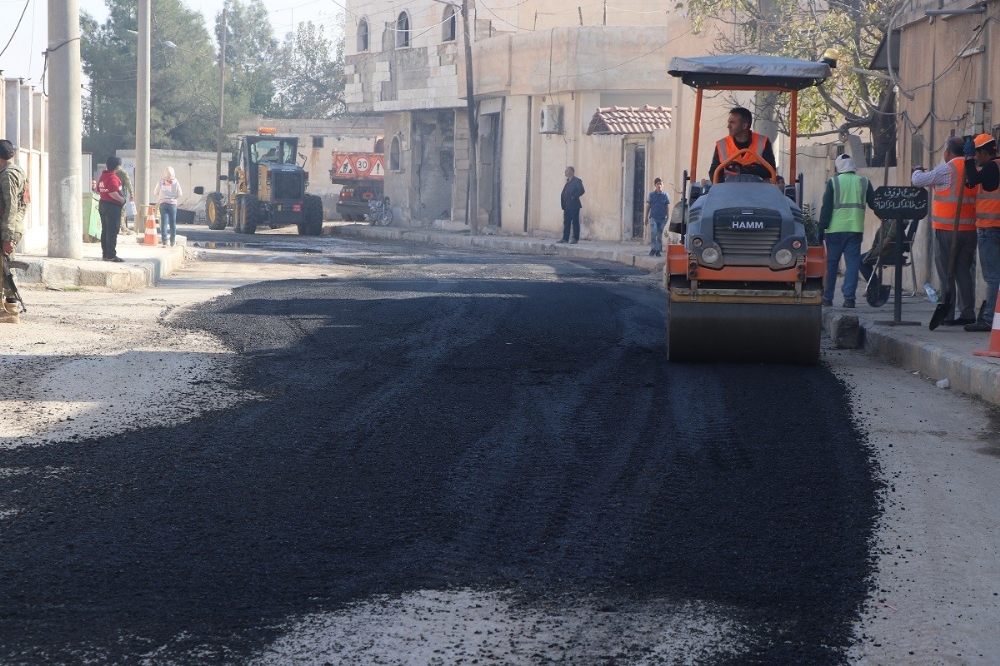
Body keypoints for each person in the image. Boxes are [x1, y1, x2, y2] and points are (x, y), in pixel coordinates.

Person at [912, 136, 979, 325]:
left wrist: (917, 170)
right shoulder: (973, 168)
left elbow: (918, 180)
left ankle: (947, 313)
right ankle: (967, 313)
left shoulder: (947, 168)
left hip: (948, 229)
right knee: (963, 271)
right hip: (969, 230)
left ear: (948, 152)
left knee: (945, 272)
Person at [819, 154, 876, 308]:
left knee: (831, 265)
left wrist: (820, 229)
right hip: (855, 229)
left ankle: (828, 298)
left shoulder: (833, 182)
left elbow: (826, 208)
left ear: (838, 167)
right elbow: (875, 204)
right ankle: (849, 299)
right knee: (852, 265)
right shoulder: (864, 182)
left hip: (835, 230)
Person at [963, 133, 1000, 332]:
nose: (976, 158)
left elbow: (976, 177)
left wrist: (967, 159)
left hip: (990, 228)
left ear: (984, 152)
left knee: (993, 277)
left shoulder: (991, 167)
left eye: (976, 154)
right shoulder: (996, 168)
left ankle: (988, 319)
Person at [707, 106, 777, 183]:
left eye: (732, 123)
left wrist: (744, 170)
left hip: (757, 191)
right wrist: (723, 187)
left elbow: (770, 171)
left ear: (744, 126)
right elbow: (714, 172)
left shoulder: (763, 142)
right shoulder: (722, 144)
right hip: (729, 191)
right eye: (729, 122)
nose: (728, 126)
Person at [0, 139, 27, 322]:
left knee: (6, 269)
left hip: (7, 228)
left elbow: (10, 207)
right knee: (4, 268)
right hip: (10, 225)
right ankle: (9, 310)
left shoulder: (8, 175)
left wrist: (8, 236)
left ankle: (11, 312)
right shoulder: (17, 171)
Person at [97, 156, 127, 262]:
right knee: (112, 231)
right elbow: (113, 192)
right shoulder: (113, 178)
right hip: (112, 206)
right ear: (117, 167)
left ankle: (105, 254)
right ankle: (111, 255)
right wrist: (122, 200)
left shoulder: (102, 176)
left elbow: (99, 189)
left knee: (105, 230)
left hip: (103, 204)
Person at [154, 167, 183, 247]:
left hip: (163, 203)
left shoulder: (160, 181)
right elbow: (180, 194)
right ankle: (172, 242)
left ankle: (164, 242)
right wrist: (174, 196)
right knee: (172, 223)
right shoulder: (176, 182)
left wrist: (161, 196)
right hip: (173, 204)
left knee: (164, 223)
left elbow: (155, 191)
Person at [644, 177, 670, 257]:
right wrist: (646, 217)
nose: (659, 185)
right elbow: (648, 206)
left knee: (659, 234)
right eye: (658, 184)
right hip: (653, 217)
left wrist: (667, 216)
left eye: (660, 184)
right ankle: (653, 249)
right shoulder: (651, 195)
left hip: (662, 218)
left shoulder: (665, 195)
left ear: (663, 185)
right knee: (653, 232)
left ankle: (658, 250)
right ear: (655, 185)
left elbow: (667, 206)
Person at [559, 166, 585, 244]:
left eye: (567, 171)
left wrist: (574, 197)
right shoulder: (567, 182)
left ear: (571, 172)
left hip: (574, 205)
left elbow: (581, 190)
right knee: (566, 222)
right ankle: (565, 238)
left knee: (575, 222)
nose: (565, 172)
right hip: (567, 205)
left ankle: (575, 238)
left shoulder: (577, 181)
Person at [115, 162, 134, 233]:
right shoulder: (123, 172)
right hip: (121, 193)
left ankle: (119, 227)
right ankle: (122, 227)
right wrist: (131, 193)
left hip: (112, 194)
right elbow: (128, 183)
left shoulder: (111, 171)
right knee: (122, 211)